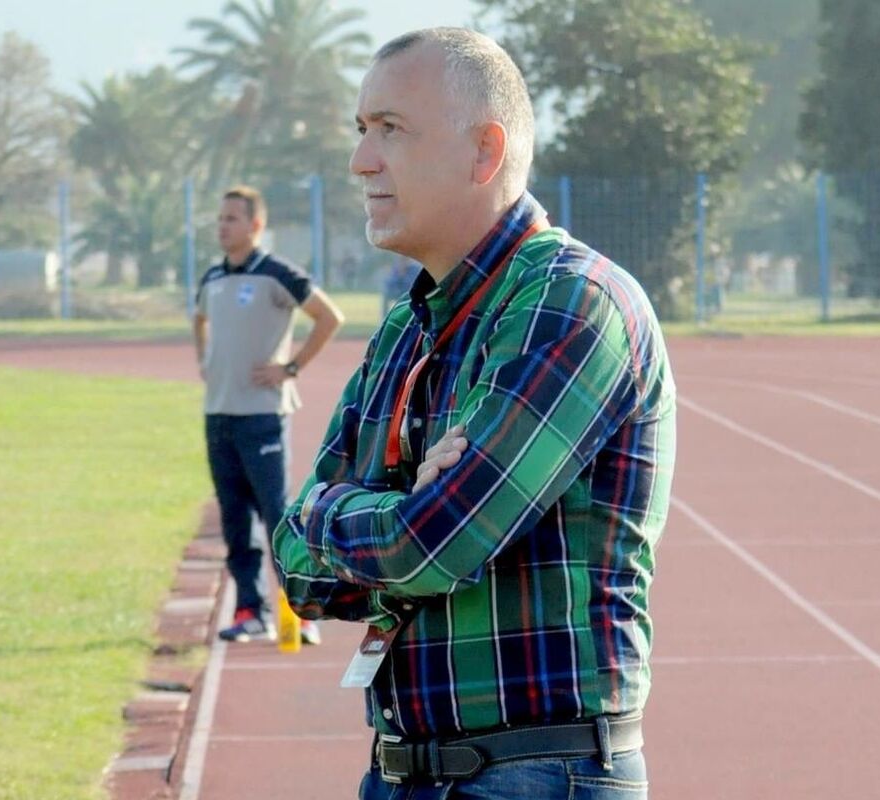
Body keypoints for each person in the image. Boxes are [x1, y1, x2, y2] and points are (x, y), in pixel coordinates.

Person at [272, 28, 676, 798]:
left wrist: (344, 516)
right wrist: (384, 512)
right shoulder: (407, 327)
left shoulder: (572, 305)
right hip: (400, 771)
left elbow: (434, 545)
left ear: (484, 151)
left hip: (536, 773)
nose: (361, 160)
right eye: (362, 130)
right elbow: (298, 572)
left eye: (390, 129)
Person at [193, 185, 345, 645]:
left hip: (261, 416)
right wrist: (205, 361)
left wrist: (291, 367)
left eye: (232, 219)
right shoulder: (212, 277)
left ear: (256, 226)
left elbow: (329, 317)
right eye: (220, 218)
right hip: (218, 415)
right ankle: (249, 610)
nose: (222, 227)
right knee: (235, 520)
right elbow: (199, 318)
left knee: (277, 517)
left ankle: (300, 614)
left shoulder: (277, 274)